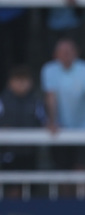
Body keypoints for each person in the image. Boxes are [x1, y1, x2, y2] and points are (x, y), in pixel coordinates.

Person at [41, 38, 85, 196]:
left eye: (70, 51)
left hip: (84, 127)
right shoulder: (49, 70)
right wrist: (52, 122)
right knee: (62, 171)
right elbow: (51, 98)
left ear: (77, 53)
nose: (66, 55)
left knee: (80, 168)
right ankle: (66, 207)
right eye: (62, 52)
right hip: (61, 128)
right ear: (55, 55)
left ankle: (82, 206)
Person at [0, 65, 45, 199]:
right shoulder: (3, 101)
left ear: (30, 83)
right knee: (13, 188)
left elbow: (44, 122)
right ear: (10, 83)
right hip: (9, 151)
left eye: (24, 81)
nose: (21, 84)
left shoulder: (36, 101)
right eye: (17, 81)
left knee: (28, 187)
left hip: (29, 151)